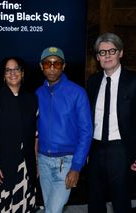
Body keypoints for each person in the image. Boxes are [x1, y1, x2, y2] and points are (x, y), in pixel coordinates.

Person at [86, 32, 136, 213]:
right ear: (97, 57)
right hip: (95, 149)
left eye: (112, 50)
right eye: (102, 52)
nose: (107, 55)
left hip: (122, 150)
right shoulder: (93, 82)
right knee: (94, 201)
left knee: (121, 202)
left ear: (121, 53)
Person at [36, 46, 93, 212]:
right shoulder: (37, 94)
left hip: (67, 163)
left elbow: (86, 132)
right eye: (47, 64)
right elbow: (35, 132)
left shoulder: (77, 93)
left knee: (52, 210)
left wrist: (76, 166)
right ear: (41, 66)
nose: (52, 68)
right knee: (50, 208)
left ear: (64, 66)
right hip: (43, 161)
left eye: (57, 64)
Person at [0, 57, 38, 212]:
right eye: (8, 70)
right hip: (0, 169)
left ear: (22, 73)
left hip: (25, 169)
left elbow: (35, 136)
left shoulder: (32, 100)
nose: (13, 73)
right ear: (3, 75)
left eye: (16, 69)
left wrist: (36, 163)